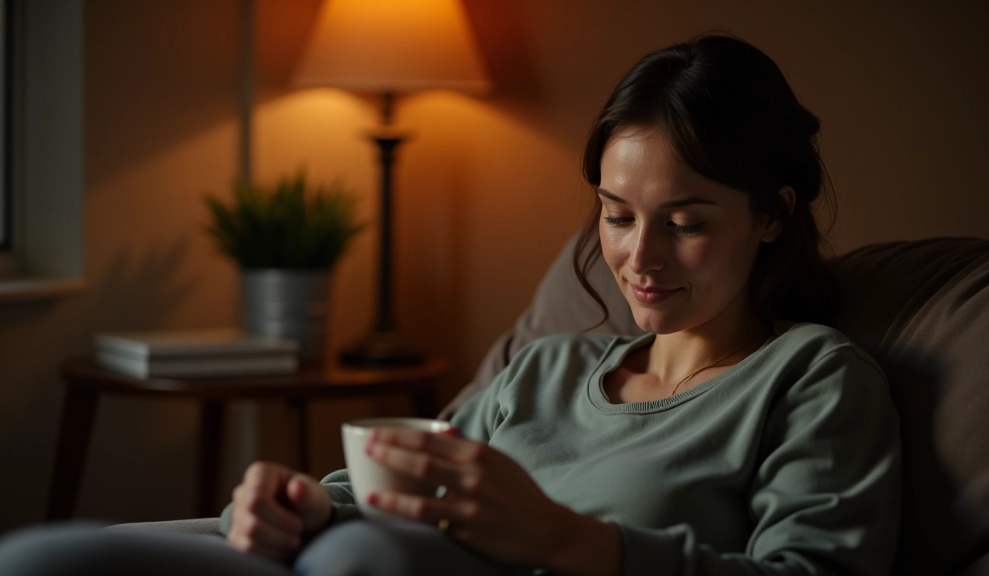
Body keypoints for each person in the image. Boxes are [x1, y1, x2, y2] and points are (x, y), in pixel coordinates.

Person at [0, 33, 901, 576]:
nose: (640, 257)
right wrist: (300, 502)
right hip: (351, 558)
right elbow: (397, 487)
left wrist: (574, 542)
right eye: (617, 216)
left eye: (686, 223)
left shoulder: (812, 379)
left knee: (364, 560)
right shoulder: (548, 367)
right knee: (40, 559)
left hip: (383, 569)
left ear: (774, 217)